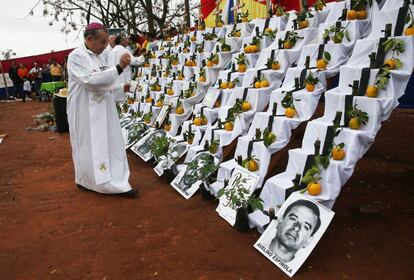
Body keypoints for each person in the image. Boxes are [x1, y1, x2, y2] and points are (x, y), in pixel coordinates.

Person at [67, 22, 138, 197]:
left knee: (111, 142)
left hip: (104, 108)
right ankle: (85, 180)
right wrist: (119, 68)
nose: (105, 46)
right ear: (89, 39)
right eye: (102, 42)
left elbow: (106, 79)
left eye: (107, 42)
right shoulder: (76, 56)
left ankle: (116, 182)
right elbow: (91, 80)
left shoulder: (101, 55)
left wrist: (122, 87)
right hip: (83, 110)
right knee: (86, 146)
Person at [107, 34, 144, 101]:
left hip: (115, 81)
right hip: (124, 79)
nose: (127, 41)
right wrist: (144, 56)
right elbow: (135, 62)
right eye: (125, 40)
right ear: (121, 41)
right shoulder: (123, 50)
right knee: (127, 99)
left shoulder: (111, 52)